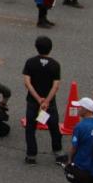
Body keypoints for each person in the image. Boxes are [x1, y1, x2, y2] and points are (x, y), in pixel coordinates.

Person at [22, 35, 67, 165]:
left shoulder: (30, 62)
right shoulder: (55, 65)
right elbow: (56, 86)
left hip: (33, 101)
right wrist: (46, 101)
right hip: (49, 103)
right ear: (50, 48)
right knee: (53, 126)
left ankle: (31, 155)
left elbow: (27, 83)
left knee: (31, 127)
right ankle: (58, 152)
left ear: (36, 47)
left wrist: (38, 99)